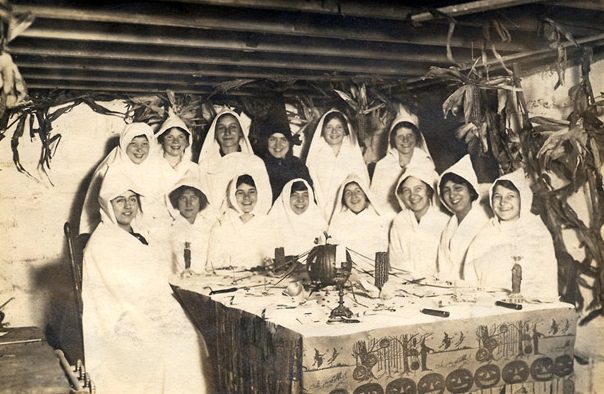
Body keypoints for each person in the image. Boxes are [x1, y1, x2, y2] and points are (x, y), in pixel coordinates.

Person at [82, 172, 207, 393]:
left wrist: (173, 281)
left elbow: (152, 274)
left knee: (191, 338)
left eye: (132, 199)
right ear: (107, 204)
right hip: (118, 317)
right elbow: (115, 292)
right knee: (167, 349)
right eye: (120, 200)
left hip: (148, 307)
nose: (128, 206)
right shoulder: (102, 241)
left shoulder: (136, 234)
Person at [464, 169, 559, 301]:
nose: (503, 202)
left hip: (529, 306)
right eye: (497, 196)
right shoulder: (486, 232)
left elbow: (545, 281)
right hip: (489, 305)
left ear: (523, 200)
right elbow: (470, 275)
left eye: (510, 196)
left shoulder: (537, 232)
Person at [79, 122, 162, 234]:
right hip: (112, 230)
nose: (139, 149)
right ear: (124, 144)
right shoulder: (110, 168)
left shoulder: (150, 168)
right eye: (133, 144)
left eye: (144, 144)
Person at [198, 109, 271, 211]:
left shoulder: (255, 163)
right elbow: (204, 203)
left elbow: (265, 200)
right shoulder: (206, 165)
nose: (227, 132)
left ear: (240, 132)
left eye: (232, 127)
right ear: (215, 134)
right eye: (221, 128)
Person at [306, 109, 369, 220]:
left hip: (350, 214)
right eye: (329, 127)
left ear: (345, 130)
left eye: (339, 127)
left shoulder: (353, 154)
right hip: (322, 213)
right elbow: (314, 190)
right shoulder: (315, 157)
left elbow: (363, 185)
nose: (334, 132)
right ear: (322, 130)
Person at [370, 106, 434, 215]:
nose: (405, 140)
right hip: (387, 220)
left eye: (409, 135)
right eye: (400, 136)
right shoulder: (382, 166)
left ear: (416, 137)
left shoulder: (425, 163)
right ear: (393, 140)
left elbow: (433, 200)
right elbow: (375, 201)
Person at [389, 165, 449, 278]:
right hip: (405, 283)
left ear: (428, 191)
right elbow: (395, 259)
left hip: (437, 286)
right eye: (407, 190)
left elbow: (447, 264)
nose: (412, 195)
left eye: (418, 189)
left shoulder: (444, 221)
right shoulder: (400, 220)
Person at [436, 155, 489, 282]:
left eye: (458, 188)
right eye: (446, 190)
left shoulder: (485, 221)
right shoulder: (450, 224)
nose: (452, 195)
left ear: (471, 191)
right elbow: (444, 267)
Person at [206, 173, 275, 270]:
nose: (246, 197)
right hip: (228, 281)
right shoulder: (222, 224)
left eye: (251, 192)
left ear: (258, 193)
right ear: (232, 196)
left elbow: (274, 262)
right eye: (240, 193)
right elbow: (212, 265)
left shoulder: (269, 224)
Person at [328, 175, 390, 271]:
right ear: (343, 199)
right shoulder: (337, 222)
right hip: (346, 275)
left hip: (374, 274)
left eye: (358, 191)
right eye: (348, 193)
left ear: (366, 195)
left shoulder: (378, 220)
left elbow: (383, 252)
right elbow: (333, 256)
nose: (354, 196)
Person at [166, 176, 215, 275]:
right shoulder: (169, 229)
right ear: (176, 201)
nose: (188, 204)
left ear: (200, 200)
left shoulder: (210, 228)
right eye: (183, 198)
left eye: (193, 198)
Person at [268, 178, 327, 257]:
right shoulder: (272, 225)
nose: (300, 200)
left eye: (305, 195)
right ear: (285, 199)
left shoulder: (319, 225)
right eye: (294, 195)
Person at [260, 121, 312, 202]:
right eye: (273, 139)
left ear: (289, 142)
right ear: (266, 142)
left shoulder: (298, 166)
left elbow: (309, 198)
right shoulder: (259, 165)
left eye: (283, 139)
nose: (277, 145)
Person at [155, 114, 199, 191]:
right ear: (162, 140)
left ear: (187, 141)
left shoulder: (194, 169)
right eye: (170, 137)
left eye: (181, 137)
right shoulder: (153, 167)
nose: (176, 141)